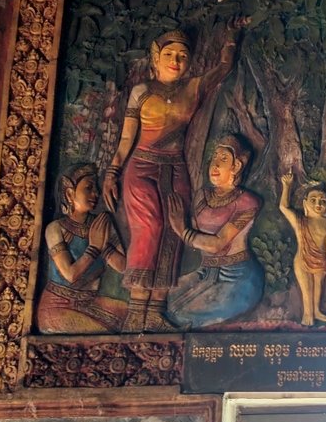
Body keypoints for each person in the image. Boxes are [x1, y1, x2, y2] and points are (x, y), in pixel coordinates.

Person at [102, 21, 244, 332]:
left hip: (175, 167)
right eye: (169, 54)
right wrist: (112, 172)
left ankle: (155, 311)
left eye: (182, 55)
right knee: (150, 227)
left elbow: (223, 68)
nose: (176, 61)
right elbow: (127, 138)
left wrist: (231, 37)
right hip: (141, 167)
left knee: (173, 231)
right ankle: (135, 310)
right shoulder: (142, 92)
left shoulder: (193, 88)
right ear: (155, 57)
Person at [166, 135, 264, 329]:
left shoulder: (248, 202)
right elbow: (196, 229)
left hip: (237, 277)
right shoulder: (202, 195)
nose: (215, 164)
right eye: (214, 157)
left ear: (236, 166)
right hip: (205, 271)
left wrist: (182, 230)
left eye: (224, 159)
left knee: (184, 316)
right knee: (168, 304)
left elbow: (219, 243)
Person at [37, 164, 126, 333]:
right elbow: (71, 275)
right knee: (108, 331)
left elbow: (123, 267)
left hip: (90, 303)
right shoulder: (56, 228)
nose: (96, 194)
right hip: (57, 306)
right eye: (89, 188)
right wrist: (94, 247)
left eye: (97, 188)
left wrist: (104, 245)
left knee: (133, 318)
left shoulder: (100, 224)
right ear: (70, 193)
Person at [279, 172, 326, 326]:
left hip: (321, 261)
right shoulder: (300, 221)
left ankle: (316, 311)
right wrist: (286, 186)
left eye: (323, 201)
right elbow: (284, 207)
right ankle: (307, 315)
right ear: (305, 203)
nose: (318, 204)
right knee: (307, 288)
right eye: (313, 200)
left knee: (318, 287)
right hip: (303, 259)